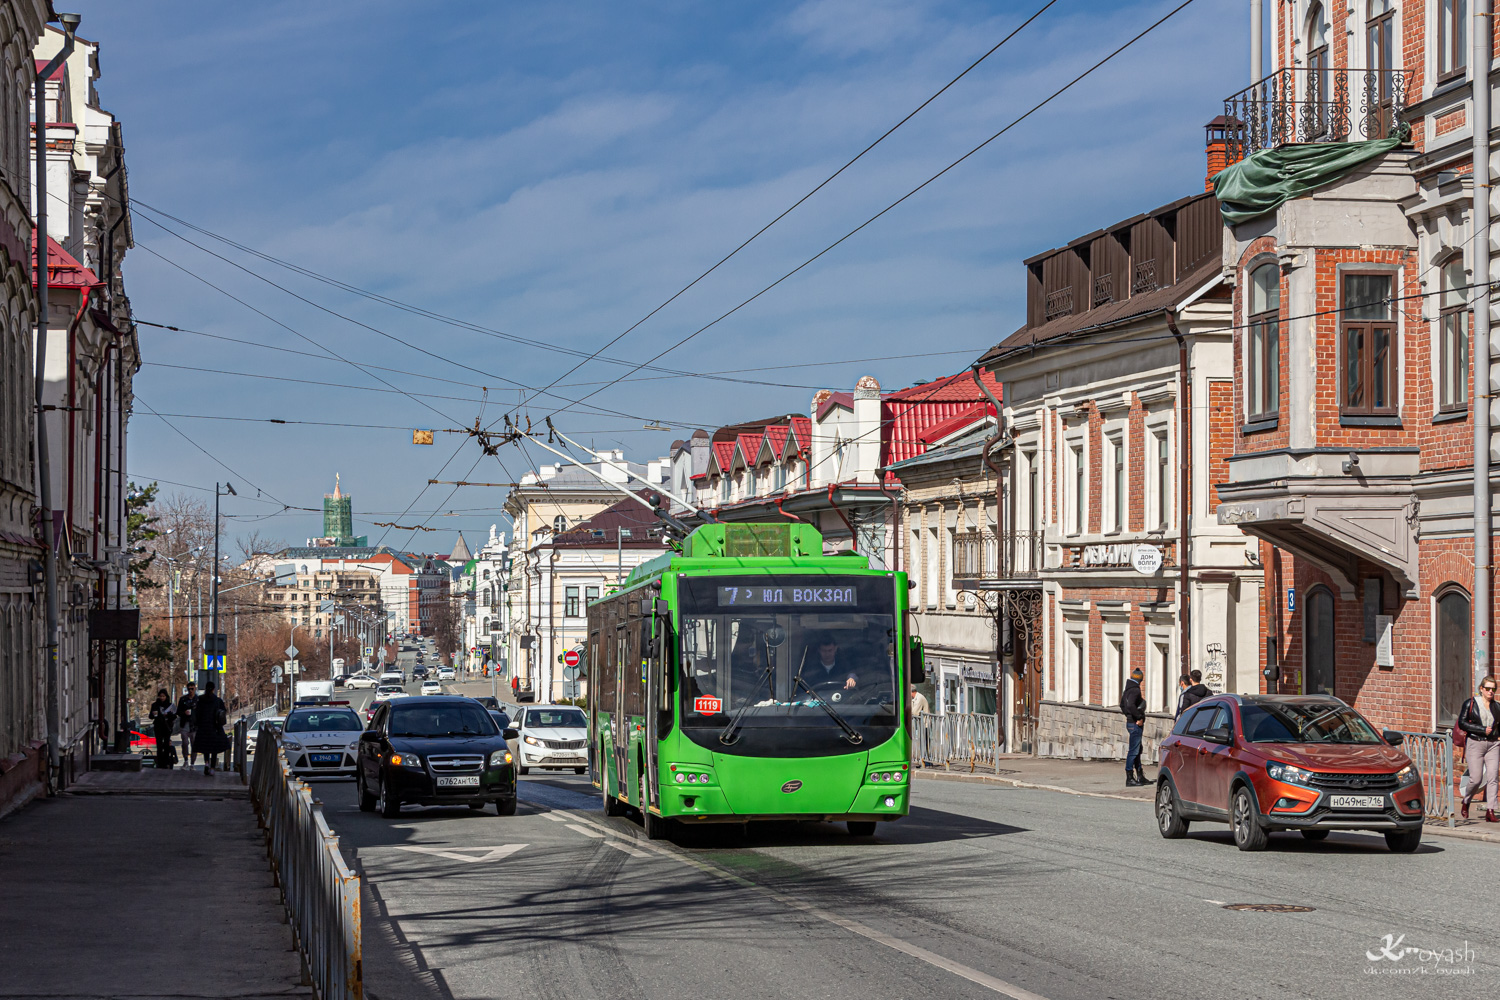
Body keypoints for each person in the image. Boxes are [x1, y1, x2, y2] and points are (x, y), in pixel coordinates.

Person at [1457, 678, 1500, 821]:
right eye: (1488, 688)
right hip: (1475, 743)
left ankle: (1491, 810)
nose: (1490, 692)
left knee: (1493, 777)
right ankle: (1466, 801)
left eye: (1493, 689)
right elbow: (1462, 723)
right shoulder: (1470, 704)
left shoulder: (1497, 707)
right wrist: (1481, 729)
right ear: (1481, 688)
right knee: (1476, 779)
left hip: (1493, 745)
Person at [193, 681, 230, 776]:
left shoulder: (200, 700)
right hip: (215, 727)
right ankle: (212, 768)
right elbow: (223, 712)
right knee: (214, 748)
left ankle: (206, 763)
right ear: (214, 689)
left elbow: (197, 713)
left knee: (206, 747)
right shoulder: (217, 701)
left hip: (203, 727)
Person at [1120, 667, 1147, 787]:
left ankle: (1140, 776)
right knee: (1134, 751)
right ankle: (1130, 778)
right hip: (1135, 724)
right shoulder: (1135, 690)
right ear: (1140, 679)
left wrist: (1128, 715)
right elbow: (1130, 705)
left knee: (1137, 750)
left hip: (1130, 722)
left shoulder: (1127, 689)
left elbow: (1122, 705)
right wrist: (1138, 717)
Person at [148, 689, 175, 768]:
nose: (162, 698)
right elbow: (150, 716)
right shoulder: (155, 705)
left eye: (163, 696)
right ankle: (159, 763)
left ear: (166, 697)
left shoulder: (170, 705)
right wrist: (154, 714)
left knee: (166, 744)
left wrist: (168, 715)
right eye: (160, 696)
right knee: (159, 745)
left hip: (167, 727)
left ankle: (166, 762)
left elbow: (174, 716)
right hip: (158, 726)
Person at [175, 683, 198, 768]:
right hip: (185, 724)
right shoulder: (183, 699)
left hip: (194, 725)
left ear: (195, 689)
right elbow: (178, 712)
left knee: (194, 745)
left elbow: (201, 712)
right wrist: (184, 713)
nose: (191, 691)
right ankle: (186, 761)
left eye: (192, 689)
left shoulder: (198, 700)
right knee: (184, 743)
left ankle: (192, 763)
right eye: (189, 689)